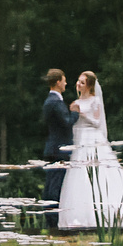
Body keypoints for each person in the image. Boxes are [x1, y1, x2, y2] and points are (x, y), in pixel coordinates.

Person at [57, 70, 123, 232]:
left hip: (92, 140)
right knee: (79, 177)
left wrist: (81, 113)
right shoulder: (76, 101)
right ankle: (78, 217)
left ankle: (111, 215)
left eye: (82, 82)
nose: (78, 84)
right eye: (78, 81)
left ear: (90, 86)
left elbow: (97, 122)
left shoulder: (95, 101)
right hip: (79, 142)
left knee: (101, 174)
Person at [39, 69, 76, 209]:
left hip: (53, 148)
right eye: (64, 80)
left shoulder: (51, 100)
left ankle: (51, 218)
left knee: (51, 184)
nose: (66, 83)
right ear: (58, 82)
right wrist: (75, 113)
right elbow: (66, 122)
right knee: (55, 186)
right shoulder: (55, 101)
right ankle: (52, 221)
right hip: (59, 149)